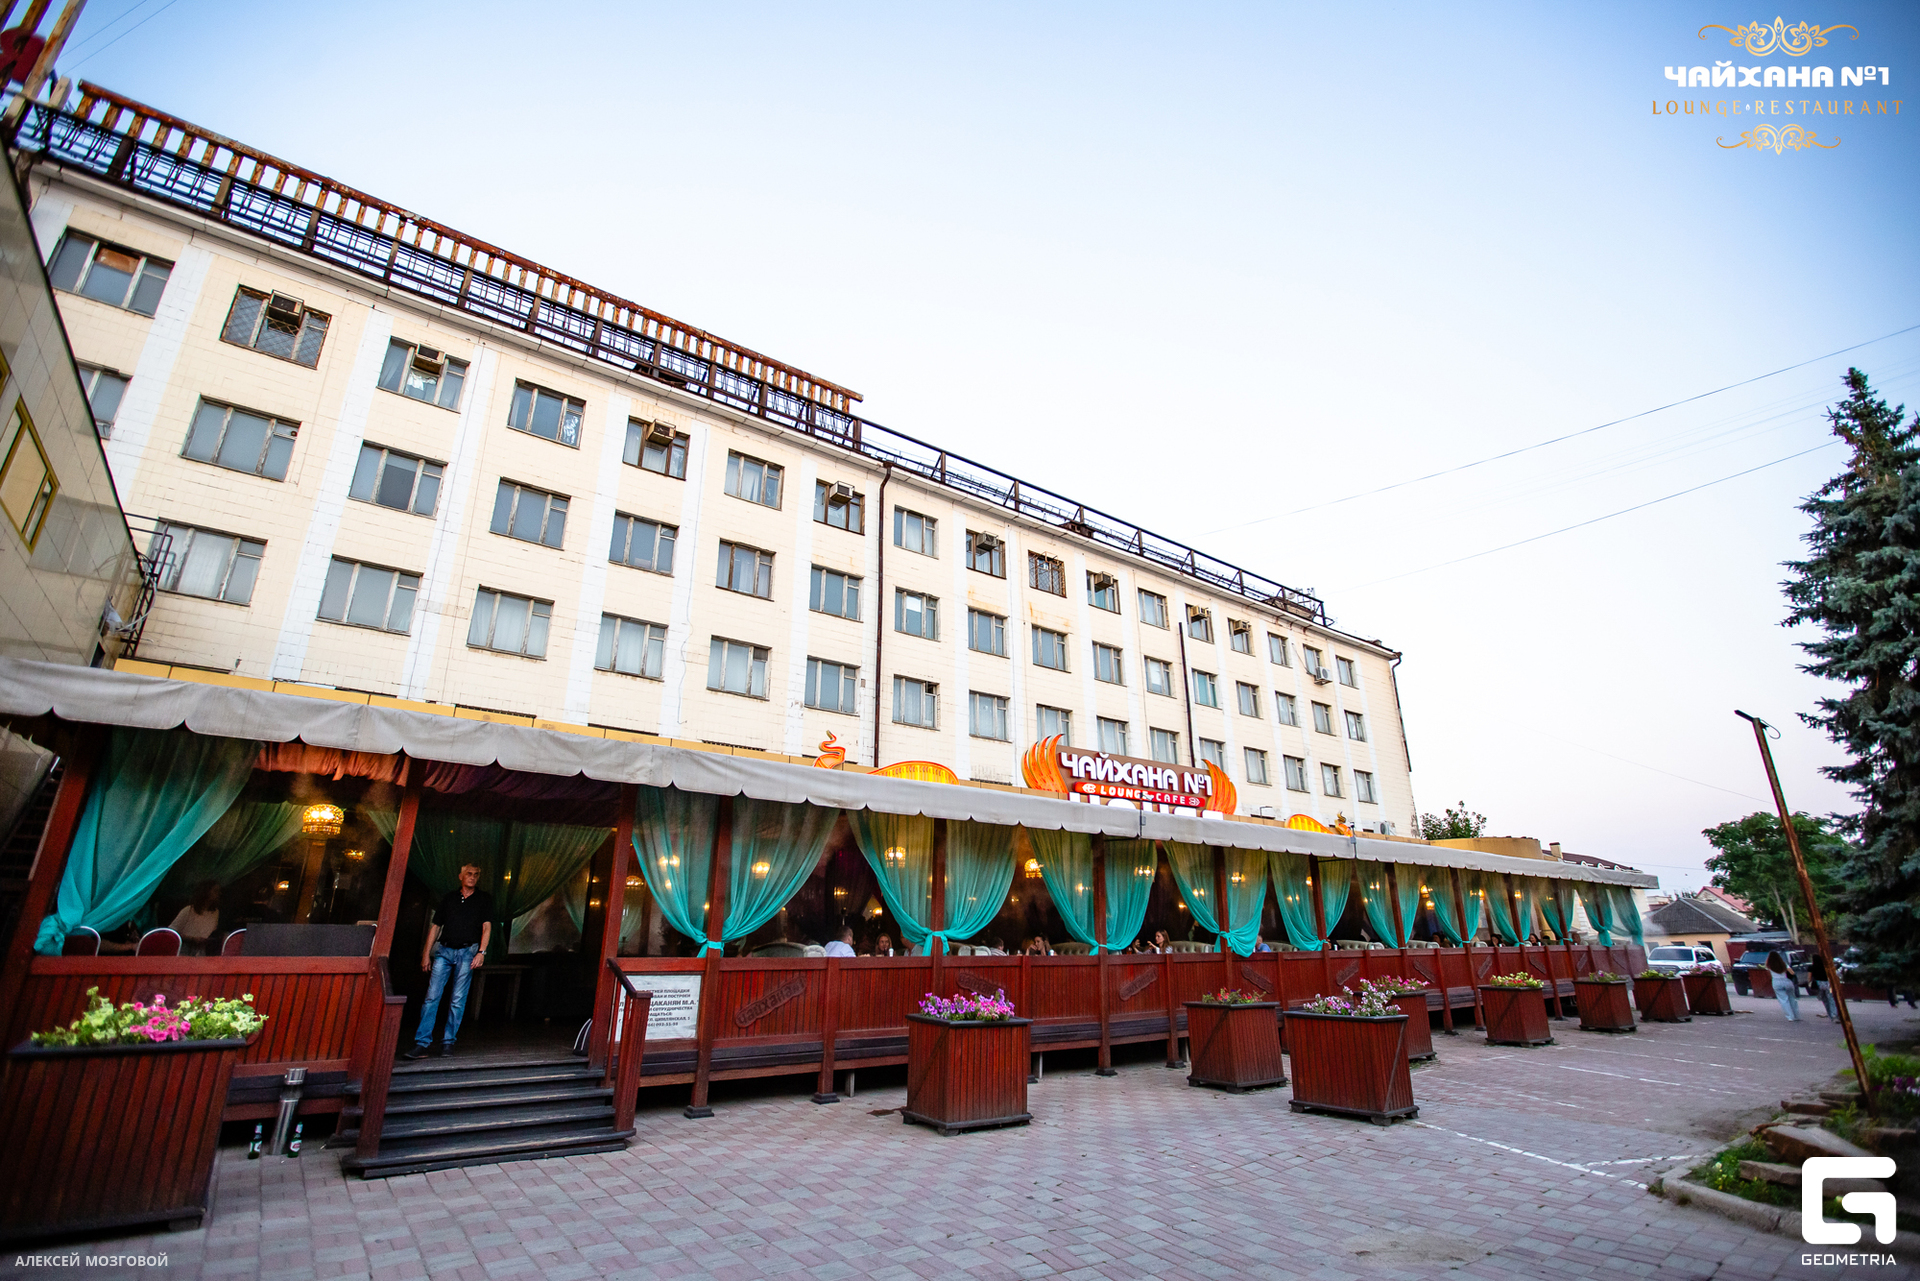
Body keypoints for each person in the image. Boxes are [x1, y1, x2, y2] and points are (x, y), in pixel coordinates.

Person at [405, 863, 493, 1058]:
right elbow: (435, 927)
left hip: (468, 951)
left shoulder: (483, 899)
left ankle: (448, 1042)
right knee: (431, 997)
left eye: (476, 874)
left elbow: (487, 927)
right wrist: (426, 954)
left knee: (457, 1000)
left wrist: (481, 952)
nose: (472, 877)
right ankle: (422, 1043)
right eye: (469, 874)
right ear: (460, 876)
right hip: (444, 951)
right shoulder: (449, 898)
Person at [169, 880, 221, 955]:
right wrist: (191, 939)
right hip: (184, 949)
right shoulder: (188, 910)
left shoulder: (215, 912)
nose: (218, 894)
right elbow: (172, 931)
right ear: (206, 892)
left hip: (201, 951)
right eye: (215, 891)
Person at [1766, 950, 1799, 1022]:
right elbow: (1792, 973)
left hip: (1776, 982)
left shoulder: (1769, 965)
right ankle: (1796, 1015)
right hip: (1786, 981)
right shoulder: (1784, 964)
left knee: (1783, 1000)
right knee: (1792, 998)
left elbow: (1768, 974)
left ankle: (1790, 1017)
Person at [1809, 951, 1837, 1019]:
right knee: (1831, 999)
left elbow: (1809, 977)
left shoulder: (1812, 967)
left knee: (1824, 999)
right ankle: (1834, 1014)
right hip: (1828, 984)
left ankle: (1829, 1013)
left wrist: (1809, 983)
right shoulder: (1825, 967)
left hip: (1819, 984)